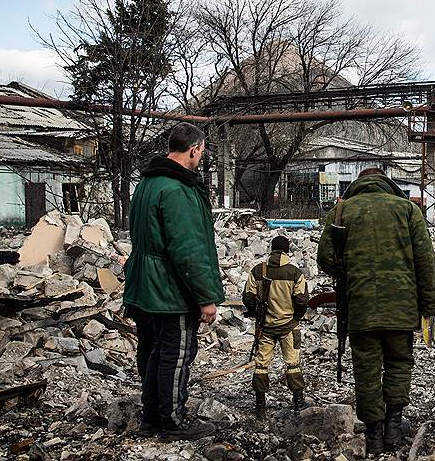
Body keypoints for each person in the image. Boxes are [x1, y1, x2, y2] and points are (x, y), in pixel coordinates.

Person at [317, 168, 435, 455]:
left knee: (366, 370)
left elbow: (325, 258)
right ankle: (394, 428)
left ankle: (373, 435)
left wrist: (349, 273)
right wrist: (430, 307)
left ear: (359, 183)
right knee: (399, 361)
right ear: (388, 183)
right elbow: (426, 263)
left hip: (360, 306)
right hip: (402, 306)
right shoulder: (408, 210)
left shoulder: (341, 211)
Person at [123, 122, 225, 439]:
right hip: (169, 289)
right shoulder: (177, 190)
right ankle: (172, 420)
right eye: (202, 151)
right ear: (194, 149)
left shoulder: (148, 184)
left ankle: (152, 416)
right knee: (177, 353)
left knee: (155, 351)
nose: (201, 157)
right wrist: (205, 298)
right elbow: (187, 249)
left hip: (144, 284)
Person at [242, 235, 310, 419]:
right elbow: (302, 300)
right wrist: (296, 316)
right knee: (293, 363)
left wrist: (257, 312)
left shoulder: (258, 270)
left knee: (261, 365)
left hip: (265, 326)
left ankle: (260, 408)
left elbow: (247, 296)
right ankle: (298, 402)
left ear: (271, 248)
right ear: (288, 250)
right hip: (288, 326)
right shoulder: (295, 273)